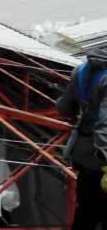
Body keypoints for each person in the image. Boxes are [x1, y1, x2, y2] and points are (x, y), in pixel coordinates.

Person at [56, 47, 107, 229]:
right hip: (100, 162)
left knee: (87, 210)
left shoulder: (80, 70)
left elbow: (63, 108)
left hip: (81, 155)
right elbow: (105, 126)